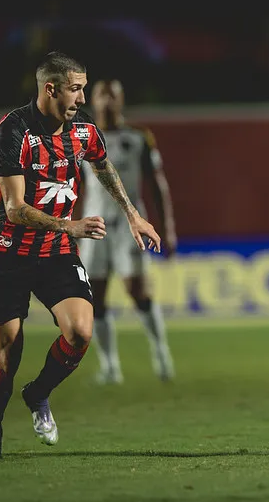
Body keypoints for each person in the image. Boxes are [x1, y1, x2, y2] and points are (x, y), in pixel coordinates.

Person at [0, 51, 161, 461]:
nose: (82, 98)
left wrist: (132, 215)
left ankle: (38, 394)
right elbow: (14, 208)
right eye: (76, 89)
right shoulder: (14, 130)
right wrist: (70, 226)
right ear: (51, 88)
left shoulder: (83, 131)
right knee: (8, 356)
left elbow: (104, 166)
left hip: (55, 252)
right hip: (8, 253)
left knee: (80, 332)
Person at [79, 78, 177, 385]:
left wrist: (168, 228)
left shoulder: (138, 137)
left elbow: (158, 184)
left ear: (121, 101)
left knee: (138, 290)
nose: (107, 100)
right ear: (91, 101)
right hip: (94, 225)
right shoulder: (80, 137)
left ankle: (161, 353)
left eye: (113, 95)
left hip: (129, 225)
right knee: (94, 296)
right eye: (101, 95)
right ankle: (110, 366)